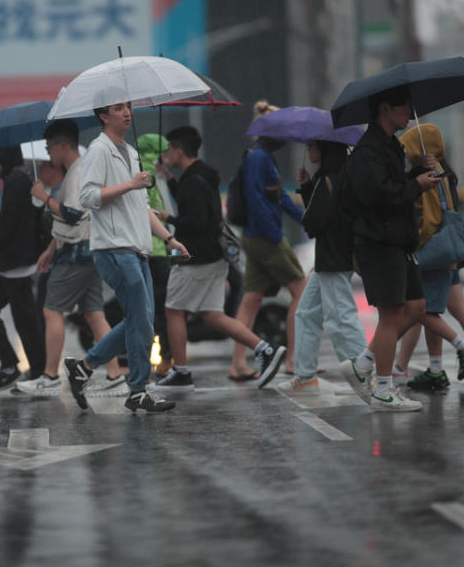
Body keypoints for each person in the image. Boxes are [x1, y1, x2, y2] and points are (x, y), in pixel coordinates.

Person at [64, 100, 189, 413]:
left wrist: (170, 238)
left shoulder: (132, 153)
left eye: (129, 107)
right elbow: (88, 197)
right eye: (119, 108)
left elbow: (140, 207)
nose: (127, 112)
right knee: (142, 323)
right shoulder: (98, 150)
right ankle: (137, 390)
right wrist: (130, 184)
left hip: (138, 249)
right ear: (104, 116)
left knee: (141, 320)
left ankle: (84, 367)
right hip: (114, 249)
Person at [148, 125, 286, 393]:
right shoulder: (202, 175)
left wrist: (169, 219)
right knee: (212, 316)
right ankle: (265, 349)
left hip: (194, 257)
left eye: (168, 153)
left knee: (173, 310)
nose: (166, 157)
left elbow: (197, 221)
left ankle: (181, 372)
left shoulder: (193, 180)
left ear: (178, 151)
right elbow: (198, 206)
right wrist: (171, 180)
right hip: (215, 257)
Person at [338, 86, 441, 412]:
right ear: (385, 109)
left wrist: (418, 172)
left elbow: (393, 186)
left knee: (417, 307)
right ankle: (383, 389)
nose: (409, 115)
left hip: (397, 240)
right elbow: (379, 196)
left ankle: (363, 364)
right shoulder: (367, 151)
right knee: (390, 316)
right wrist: (416, 184)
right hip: (378, 243)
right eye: (404, 107)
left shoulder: (391, 147)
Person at [16, 119, 125, 396]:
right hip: (86, 250)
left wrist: (44, 197)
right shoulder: (76, 171)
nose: (48, 154)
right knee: (94, 315)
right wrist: (51, 249)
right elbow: (73, 219)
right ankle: (115, 375)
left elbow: (74, 214)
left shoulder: (78, 172)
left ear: (63, 144)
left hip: (78, 253)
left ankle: (50, 376)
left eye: (49, 147)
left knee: (51, 311)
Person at [390, 124, 464, 390]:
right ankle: (434, 369)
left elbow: (430, 221)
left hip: (432, 251)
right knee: (430, 309)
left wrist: (415, 245)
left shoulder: (429, 176)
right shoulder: (442, 169)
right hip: (445, 251)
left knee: (417, 310)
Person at [277, 140, 366, 394]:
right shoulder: (338, 176)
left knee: (341, 318)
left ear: (325, 150)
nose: (309, 151)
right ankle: (305, 376)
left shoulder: (328, 179)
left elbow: (313, 222)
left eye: (313, 147)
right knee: (305, 313)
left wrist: (308, 190)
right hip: (331, 257)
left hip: (334, 259)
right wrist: (306, 187)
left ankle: (365, 375)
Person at [229, 101, 306, 387]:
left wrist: (303, 218)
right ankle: (293, 360)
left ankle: (238, 363)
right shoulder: (259, 158)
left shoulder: (261, 156)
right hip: (265, 238)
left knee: (251, 301)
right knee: (302, 292)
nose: (286, 136)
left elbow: (279, 197)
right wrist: (274, 235)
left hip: (257, 237)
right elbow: (258, 201)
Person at [0, 145, 47, 392]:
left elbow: (6, 224)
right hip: (14, 261)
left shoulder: (16, 179)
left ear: (4, 157)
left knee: (3, 314)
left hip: (14, 262)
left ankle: (27, 369)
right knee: (11, 315)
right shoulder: (23, 177)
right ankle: (29, 368)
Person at [136, 133, 173, 374]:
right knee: (161, 309)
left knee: (150, 308)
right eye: (166, 153)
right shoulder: (150, 174)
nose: (168, 159)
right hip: (156, 250)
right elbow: (155, 210)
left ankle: (156, 358)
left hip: (150, 249)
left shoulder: (144, 170)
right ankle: (166, 359)